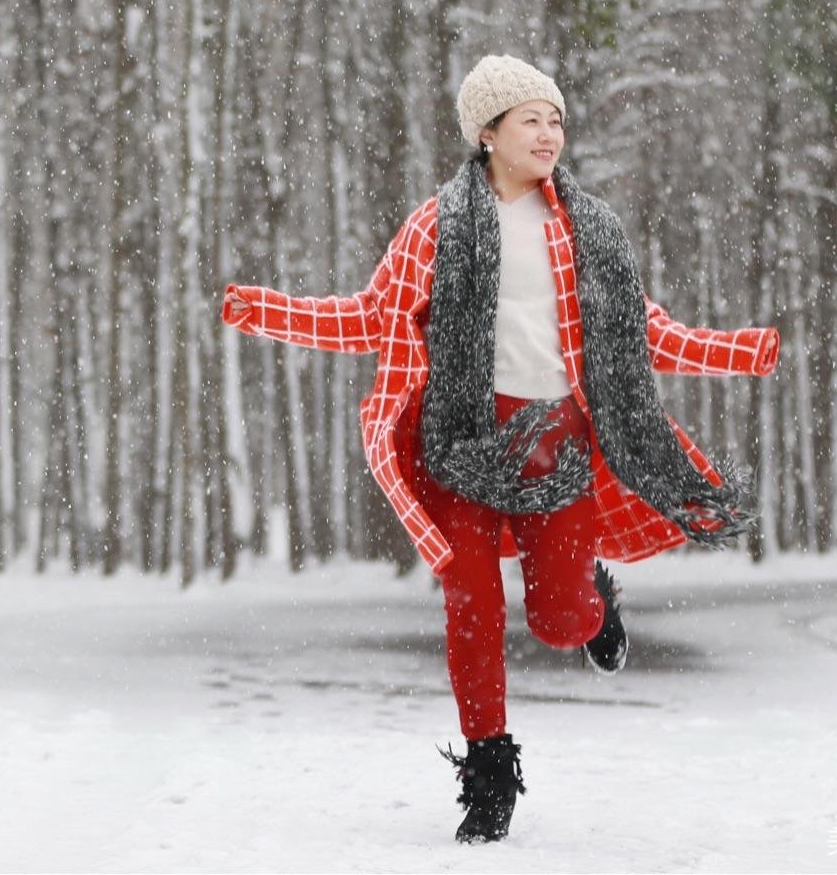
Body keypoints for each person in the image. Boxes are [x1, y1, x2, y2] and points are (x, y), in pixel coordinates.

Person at [221, 54, 781, 844]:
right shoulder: (435, 226)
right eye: (531, 120)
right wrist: (267, 312)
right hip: (461, 438)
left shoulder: (587, 230)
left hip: (555, 438)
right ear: (487, 134)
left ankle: (589, 599)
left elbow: (640, 332)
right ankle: (488, 772)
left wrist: (736, 352)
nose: (549, 134)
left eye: (555, 120)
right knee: (472, 602)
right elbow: (371, 318)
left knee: (555, 622)